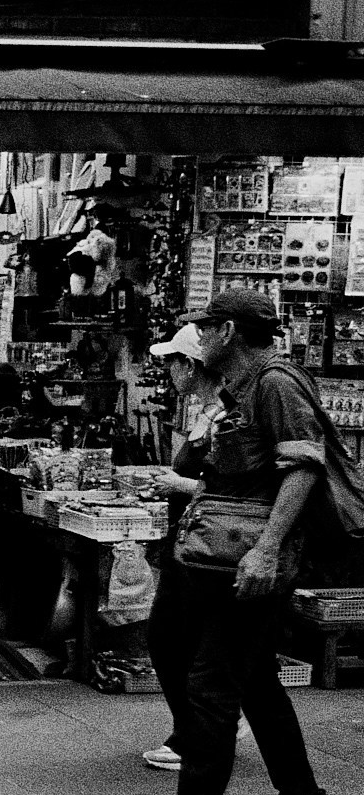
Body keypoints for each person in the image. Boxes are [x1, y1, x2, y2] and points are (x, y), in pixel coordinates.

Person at [116, 291, 338, 795]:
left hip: (249, 559)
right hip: (220, 552)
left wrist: (267, 551)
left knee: (212, 684)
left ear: (228, 331)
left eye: (204, 327)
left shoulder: (275, 383)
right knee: (255, 679)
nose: (197, 336)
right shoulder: (241, 388)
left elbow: (303, 468)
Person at [140, 322, 250, 771]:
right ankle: (198, 729)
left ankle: (200, 734)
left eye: (171, 362)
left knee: (174, 640)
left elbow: (237, 484)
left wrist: (178, 483)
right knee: (173, 638)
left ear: (189, 365)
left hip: (211, 543)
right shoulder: (202, 410)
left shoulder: (226, 411)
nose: (167, 371)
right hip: (188, 538)